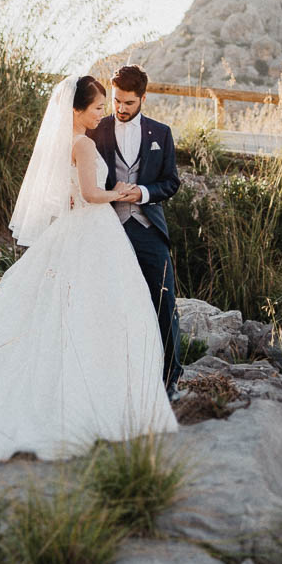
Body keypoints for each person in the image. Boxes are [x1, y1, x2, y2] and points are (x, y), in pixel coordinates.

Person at [0, 74, 177, 463]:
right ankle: (100, 391)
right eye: (98, 107)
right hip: (93, 229)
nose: (105, 112)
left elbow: (71, 190)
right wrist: (119, 193)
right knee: (101, 309)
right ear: (78, 110)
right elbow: (89, 194)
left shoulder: (73, 141)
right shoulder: (82, 142)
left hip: (86, 229)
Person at [89, 65, 183, 395]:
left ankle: (170, 379)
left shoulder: (161, 133)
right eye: (116, 101)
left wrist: (142, 192)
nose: (121, 108)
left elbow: (171, 182)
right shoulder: (96, 130)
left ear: (143, 98)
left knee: (163, 301)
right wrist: (109, 190)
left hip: (147, 229)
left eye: (128, 102)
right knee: (107, 303)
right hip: (107, 229)